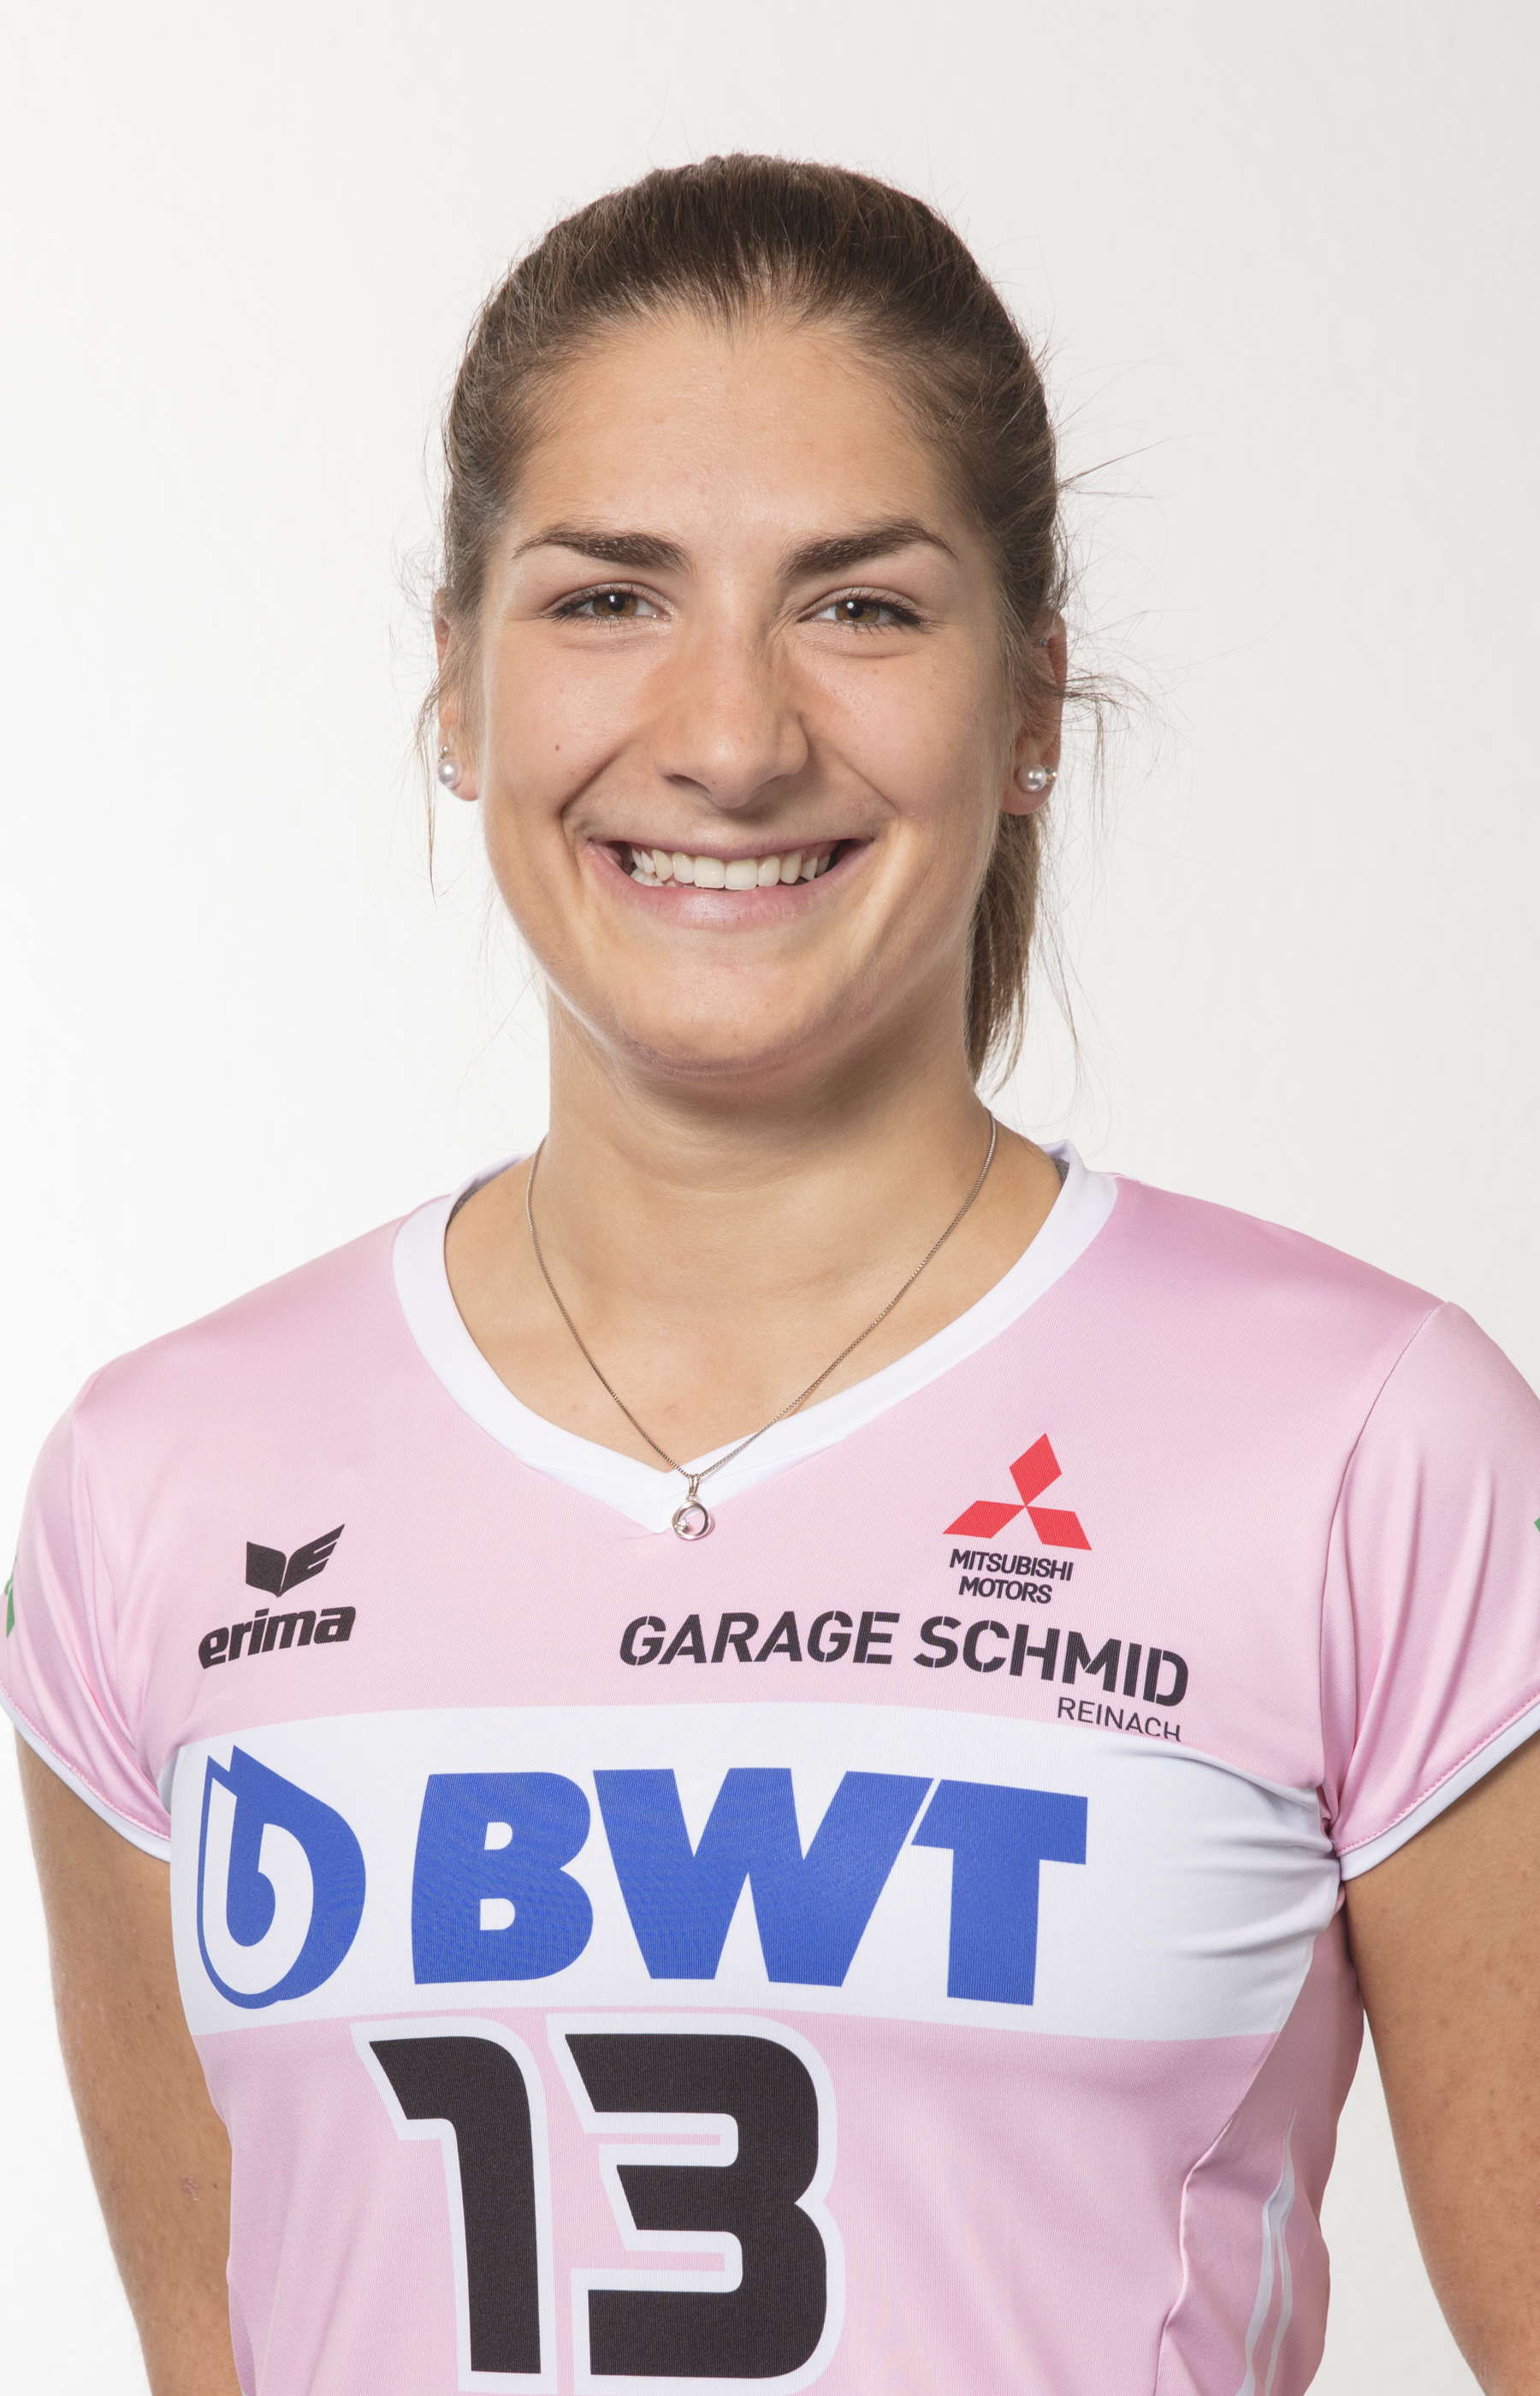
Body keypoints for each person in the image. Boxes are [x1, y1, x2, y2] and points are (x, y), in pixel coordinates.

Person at [6, 153, 1539, 2396]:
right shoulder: (161, 1487)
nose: (730, 739)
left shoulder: (1370, 1448)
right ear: (457, 685)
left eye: (864, 608)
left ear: (1034, 702)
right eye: (609, 596)